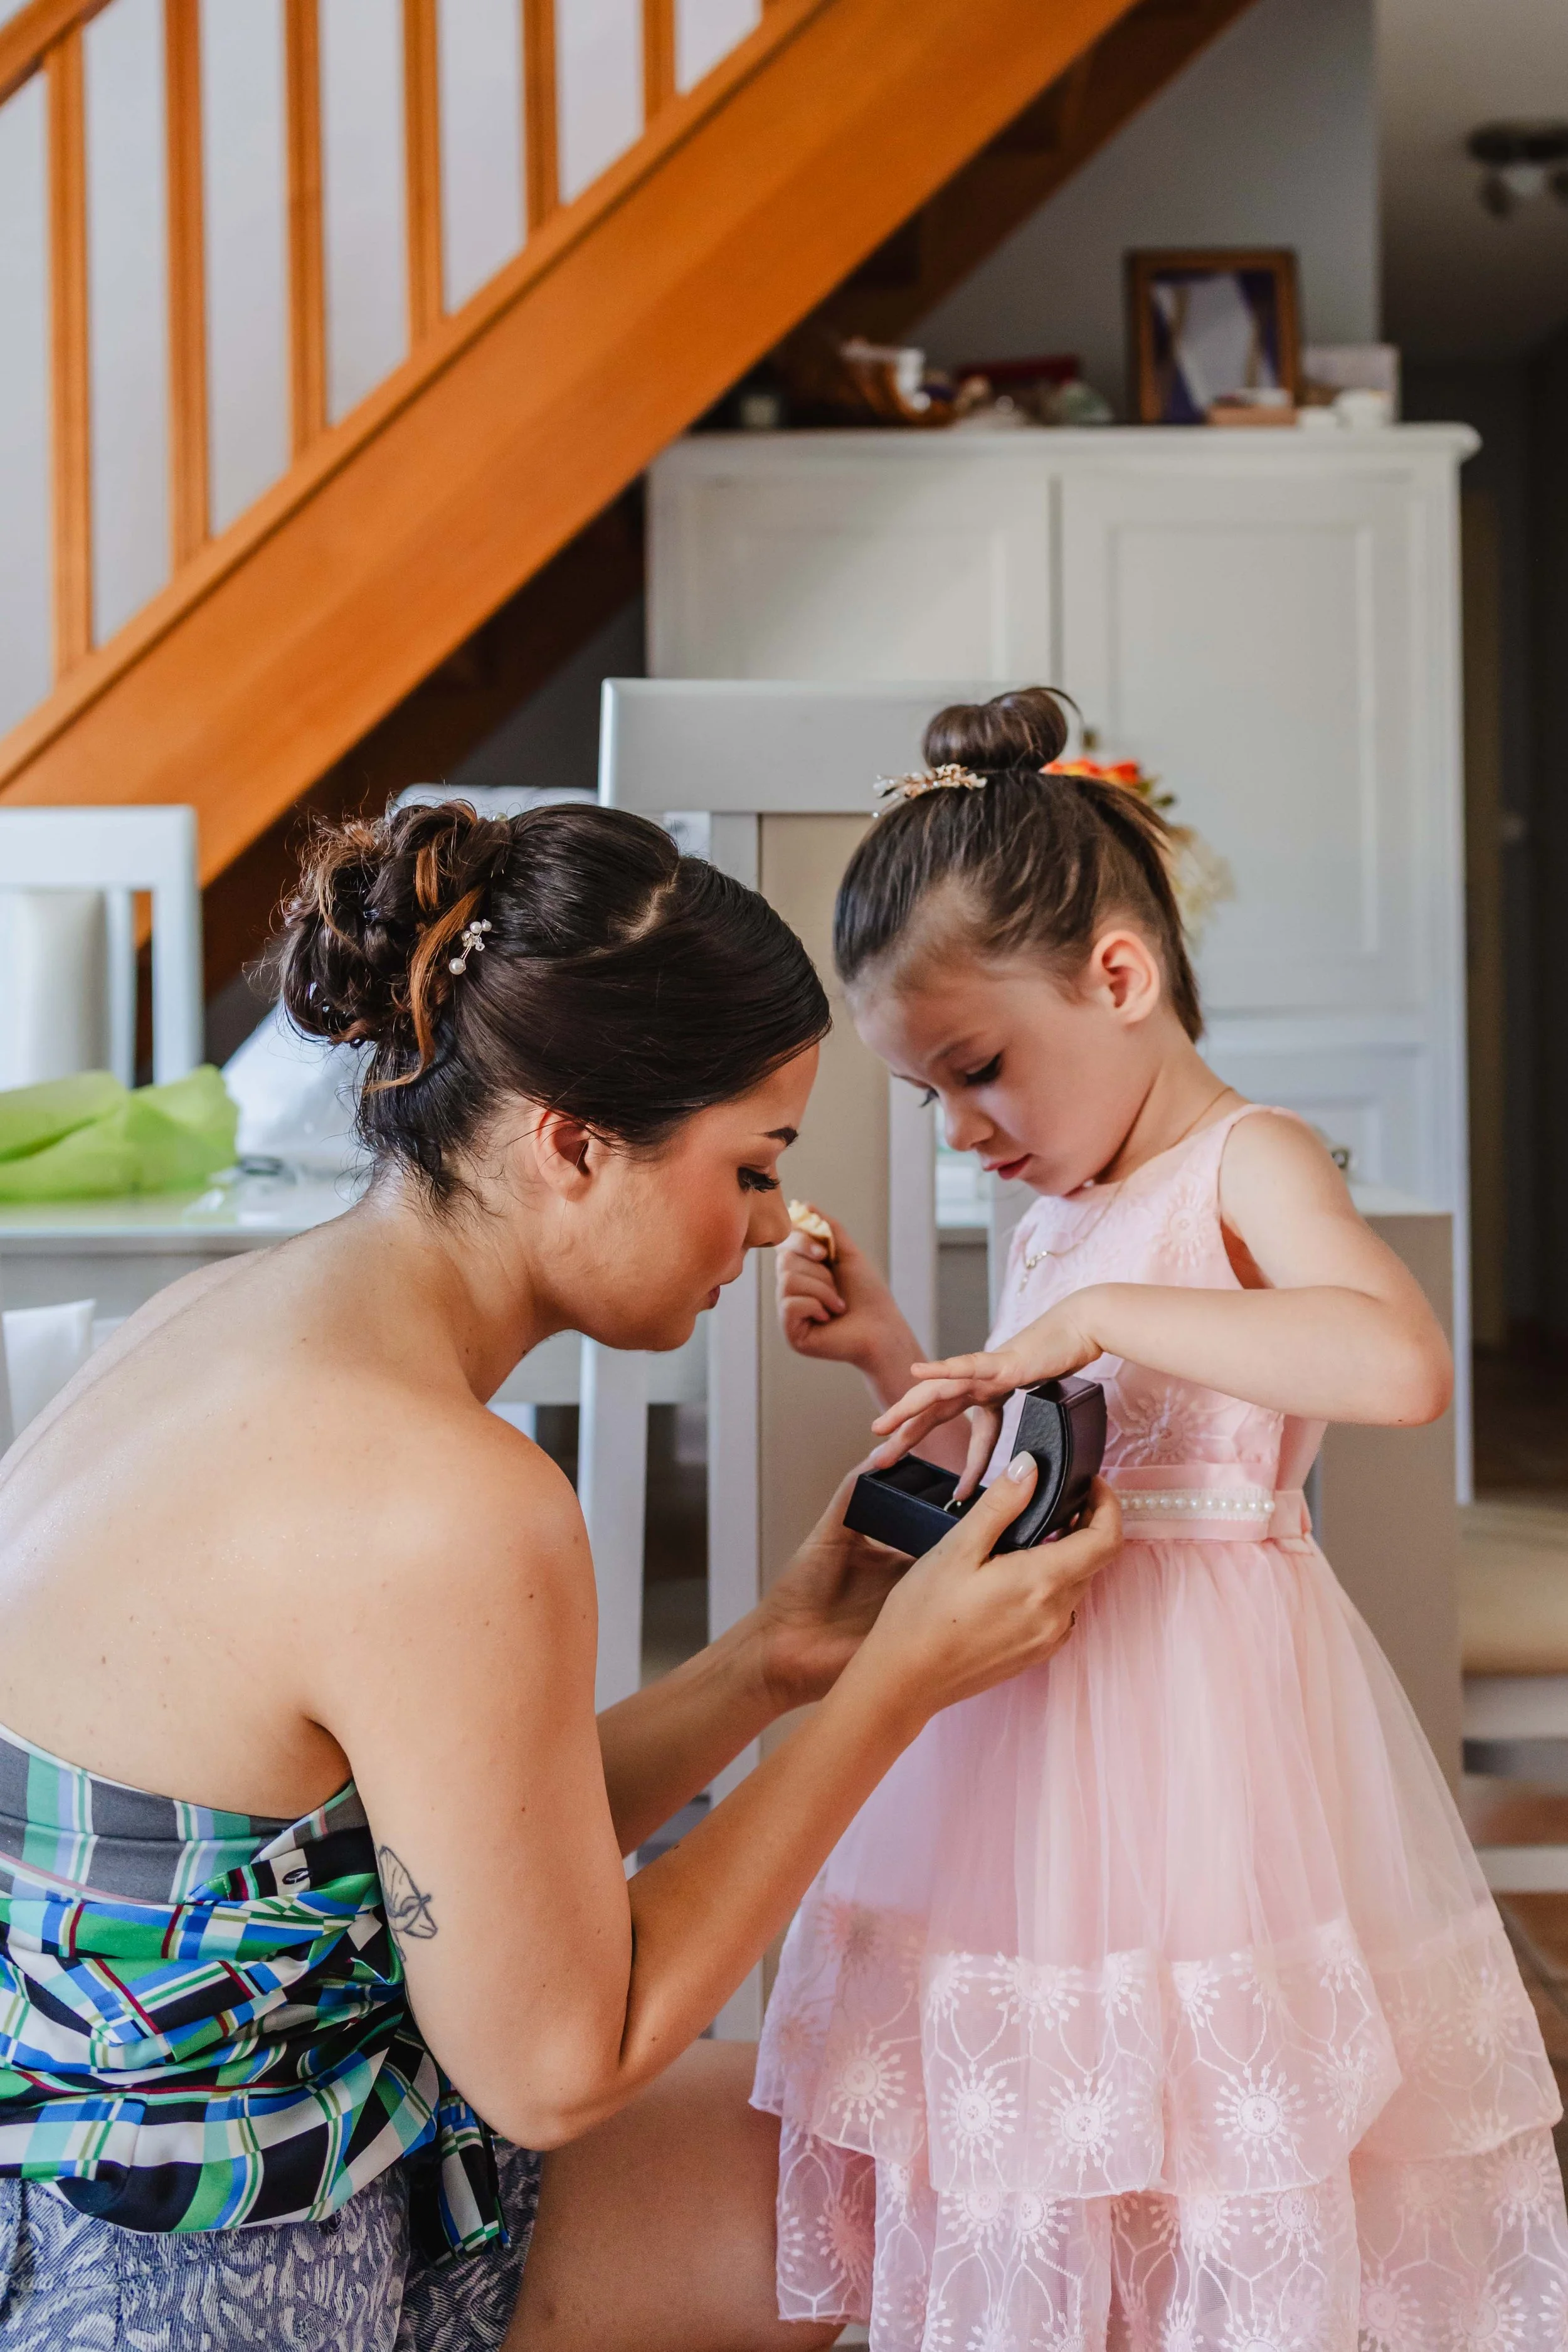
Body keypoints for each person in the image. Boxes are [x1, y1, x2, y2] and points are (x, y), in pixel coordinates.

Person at [0, 800, 1123, 2352]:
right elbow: (556, 2063)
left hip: (187, 2163)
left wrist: (775, 1660)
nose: (763, 1229)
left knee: (919, 2143)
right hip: (225, 2278)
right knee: (982, 2180)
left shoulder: (216, 1324)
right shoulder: (448, 1503)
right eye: (746, 1168)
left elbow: (446, 1858)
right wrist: (897, 1687)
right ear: (574, 1143)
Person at [766, 690, 1568, 2352]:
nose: (966, 1129)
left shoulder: (1237, 1164)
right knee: (1058, 2067)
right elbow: (1041, 1454)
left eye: (977, 1069)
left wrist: (1116, 1305)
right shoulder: (1055, 1203)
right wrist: (896, 1356)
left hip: (1207, 1721)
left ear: (1117, 976)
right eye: (928, 1098)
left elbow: (1394, 1359)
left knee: (1219, 2076)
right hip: (1032, 1707)